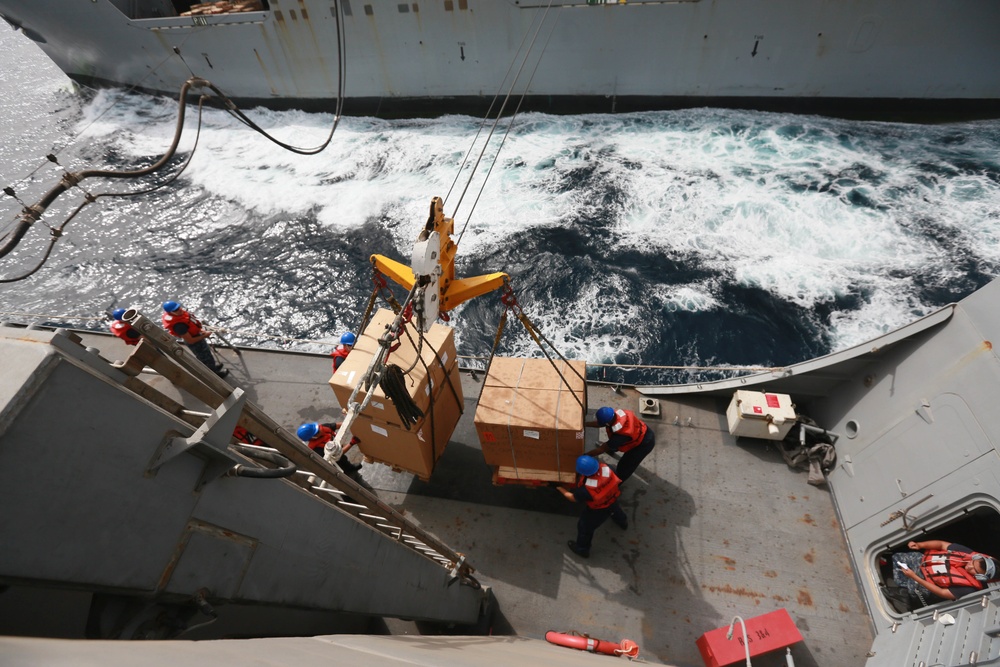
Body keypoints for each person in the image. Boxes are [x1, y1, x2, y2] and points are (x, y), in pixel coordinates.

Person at [558, 455, 628, 558]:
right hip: (612, 499)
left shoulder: (587, 490)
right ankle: (623, 522)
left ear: (582, 473)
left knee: (585, 528)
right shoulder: (608, 468)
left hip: (598, 510)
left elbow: (572, 498)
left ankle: (582, 549)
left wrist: (560, 488)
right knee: (615, 510)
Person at [893, 539, 1000, 604]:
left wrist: (914, 577)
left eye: (973, 569)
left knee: (901, 584)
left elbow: (942, 593)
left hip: (923, 581)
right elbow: (941, 544)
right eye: (973, 562)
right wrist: (920, 545)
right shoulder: (967, 554)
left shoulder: (969, 589)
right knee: (896, 558)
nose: (969, 565)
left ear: (981, 577)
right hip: (921, 561)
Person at [584, 406, 655, 483]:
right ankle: (611, 448)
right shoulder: (614, 415)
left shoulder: (620, 436)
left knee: (624, 466)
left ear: (607, 423)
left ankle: (616, 484)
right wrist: (584, 424)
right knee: (612, 444)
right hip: (640, 430)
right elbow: (601, 423)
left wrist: (585, 455)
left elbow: (602, 449)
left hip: (643, 444)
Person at [161, 301, 227, 377]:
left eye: (178, 307)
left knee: (208, 355)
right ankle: (215, 375)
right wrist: (204, 336)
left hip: (197, 336)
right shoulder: (179, 326)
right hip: (195, 343)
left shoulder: (181, 315)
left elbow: (193, 324)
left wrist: (201, 331)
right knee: (205, 359)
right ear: (170, 313)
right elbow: (190, 340)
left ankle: (214, 368)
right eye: (175, 310)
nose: (179, 310)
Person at [296, 421, 362, 474]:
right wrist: (351, 443)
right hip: (336, 460)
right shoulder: (318, 450)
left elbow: (338, 425)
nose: (320, 429)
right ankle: (349, 470)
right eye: (318, 432)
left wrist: (351, 423)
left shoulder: (324, 427)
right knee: (343, 462)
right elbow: (338, 454)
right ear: (312, 438)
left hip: (337, 445)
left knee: (344, 459)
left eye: (318, 428)